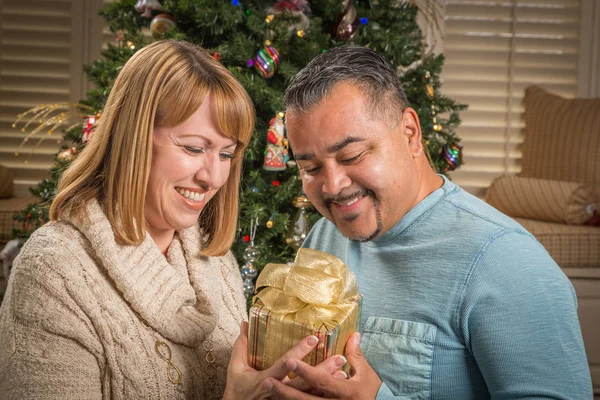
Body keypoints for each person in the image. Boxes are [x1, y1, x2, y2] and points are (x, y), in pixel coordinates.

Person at [0, 40, 343, 400]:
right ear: (132, 137)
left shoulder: (214, 260)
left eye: (226, 154)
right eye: (194, 148)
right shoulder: (53, 273)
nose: (212, 177)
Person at [262, 45, 593, 399]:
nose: (332, 186)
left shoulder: (506, 261)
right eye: (310, 168)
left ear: (410, 133)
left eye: (352, 156)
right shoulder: (325, 237)